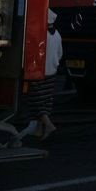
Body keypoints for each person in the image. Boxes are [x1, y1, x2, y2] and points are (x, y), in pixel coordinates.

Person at [34, 9, 63, 140]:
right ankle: (39, 130)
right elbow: (59, 54)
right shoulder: (57, 35)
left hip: (40, 72)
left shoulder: (40, 35)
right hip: (52, 71)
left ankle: (48, 125)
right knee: (46, 100)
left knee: (36, 100)